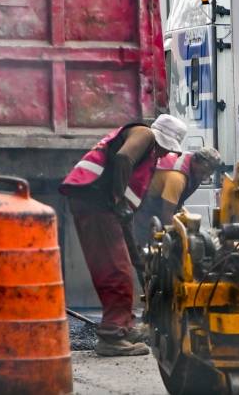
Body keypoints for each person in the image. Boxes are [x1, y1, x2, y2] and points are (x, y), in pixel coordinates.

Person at [59, 114, 187, 357]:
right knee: (115, 270)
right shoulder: (145, 134)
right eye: (165, 148)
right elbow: (122, 158)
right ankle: (113, 337)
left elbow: (126, 214)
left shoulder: (147, 159)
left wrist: (137, 256)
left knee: (120, 266)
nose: (163, 155)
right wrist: (118, 202)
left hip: (96, 203)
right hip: (97, 201)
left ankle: (124, 327)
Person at [132, 147, 222, 246]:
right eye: (203, 172)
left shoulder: (192, 163)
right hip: (145, 203)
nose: (204, 176)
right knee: (143, 241)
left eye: (208, 173)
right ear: (197, 161)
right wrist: (174, 241)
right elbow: (167, 213)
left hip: (160, 200)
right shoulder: (177, 178)